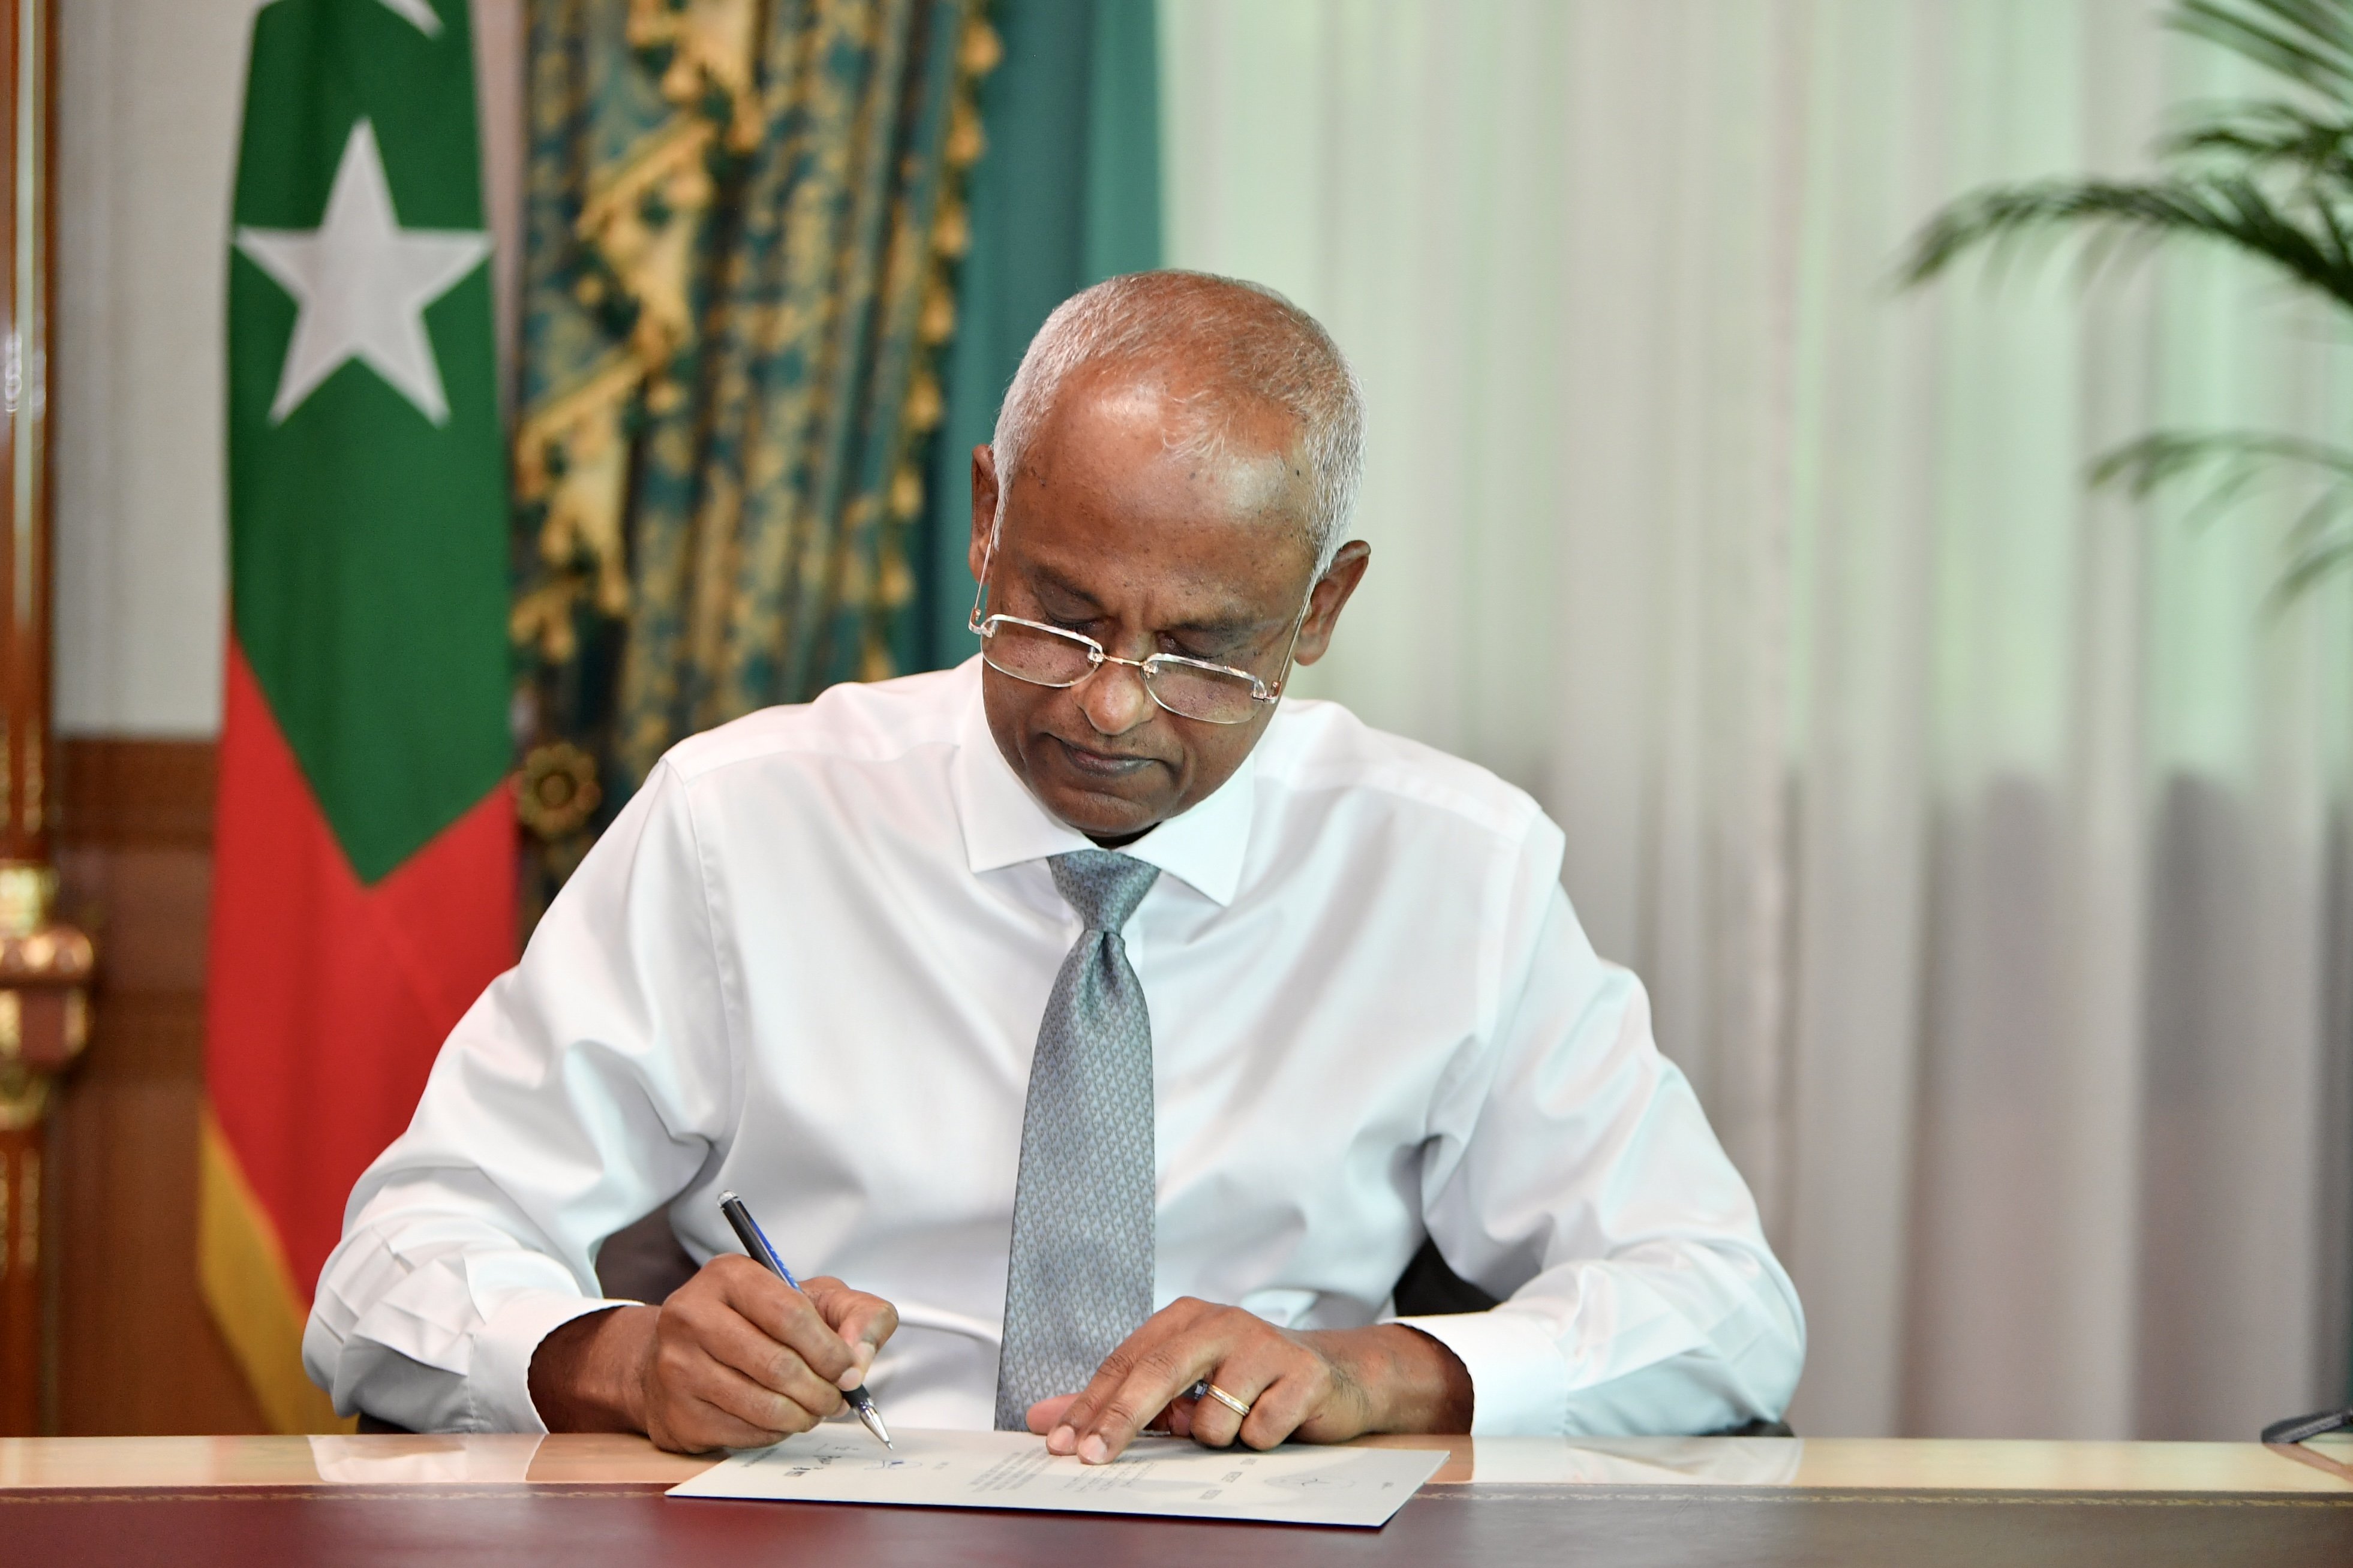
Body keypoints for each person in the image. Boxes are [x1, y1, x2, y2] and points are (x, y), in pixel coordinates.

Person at [303, 271, 1804, 1459]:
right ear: (985, 523)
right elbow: (393, 1268)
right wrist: (622, 1361)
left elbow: (1726, 1310)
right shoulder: (741, 823)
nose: (1111, 705)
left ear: (1321, 608)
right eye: (1061, 619)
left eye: (1203, 650)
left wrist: (1378, 1376)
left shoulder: (1449, 870)